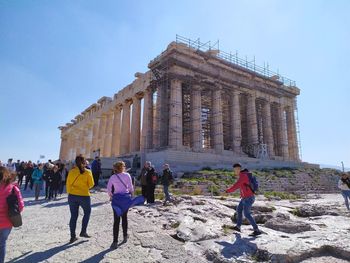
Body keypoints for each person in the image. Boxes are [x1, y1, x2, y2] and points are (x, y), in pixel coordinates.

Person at [225, 163, 262, 236]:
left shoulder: (243, 176)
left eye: (235, 170)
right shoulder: (243, 175)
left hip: (248, 198)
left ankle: (256, 230)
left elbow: (236, 186)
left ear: (238, 169)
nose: (234, 171)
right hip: (244, 198)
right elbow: (242, 187)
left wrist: (227, 191)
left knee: (247, 214)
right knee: (239, 210)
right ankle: (238, 227)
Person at [66, 155, 94, 243]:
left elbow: (68, 184)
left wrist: (70, 193)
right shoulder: (88, 172)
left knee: (73, 216)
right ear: (84, 162)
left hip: (72, 195)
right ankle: (83, 231)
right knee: (87, 213)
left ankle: (72, 236)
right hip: (84, 195)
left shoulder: (71, 171)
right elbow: (91, 184)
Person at [107, 161, 134, 250]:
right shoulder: (127, 175)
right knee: (124, 218)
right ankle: (125, 236)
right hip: (125, 199)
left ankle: (115, 241)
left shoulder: (112, 177)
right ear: (122, 167)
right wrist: (131, 196)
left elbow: (109, 189)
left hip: (116, 200)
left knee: (116, 220)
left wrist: (111, 196)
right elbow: (130, 188)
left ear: (115, 168)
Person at [0, 167, 24, 263]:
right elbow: (20, 207)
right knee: (2, 244)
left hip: (6, 223)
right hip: (7, 223)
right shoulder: (13, 188)